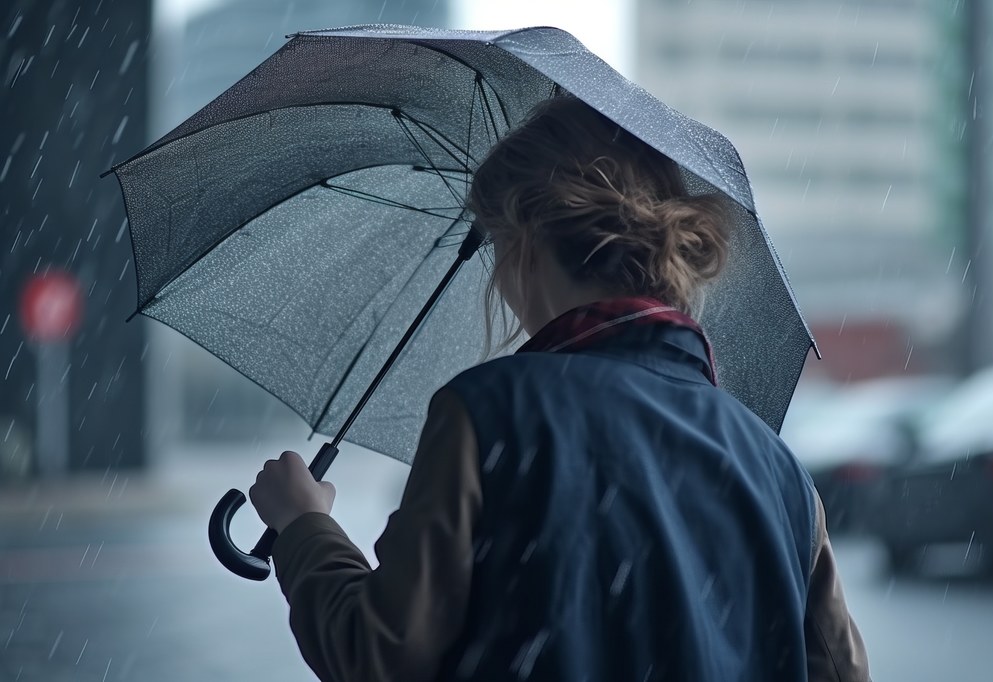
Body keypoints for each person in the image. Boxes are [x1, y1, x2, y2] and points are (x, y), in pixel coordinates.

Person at [248, 95, 871, 682]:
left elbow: (382, 650)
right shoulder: (777, 468)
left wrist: (304, 527)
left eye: (494, 244)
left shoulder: (490, 411)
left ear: (523, 241)